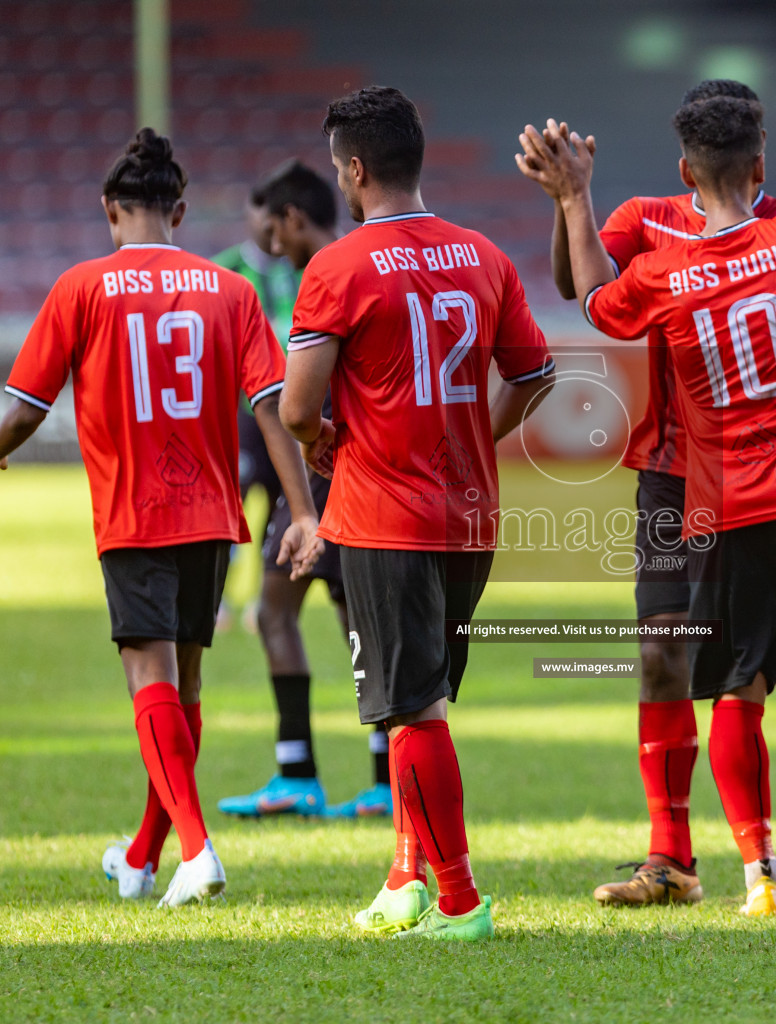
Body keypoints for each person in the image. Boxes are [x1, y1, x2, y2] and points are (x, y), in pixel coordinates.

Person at [528, 80, 776, 915]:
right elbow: (574, 275)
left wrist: (569, 197)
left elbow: (595, 300)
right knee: (683, 662)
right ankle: (688, 859)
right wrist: (577, 202)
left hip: (725, 484)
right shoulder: (662, 221)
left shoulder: (726, 243)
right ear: (756, 155)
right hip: (688, 482)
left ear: (691, 164)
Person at [0, 129, 322, 905]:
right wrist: (301, 511)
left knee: (147, 675)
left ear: (110, 210)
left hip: (134, 512)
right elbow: (274, 405)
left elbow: (29, 404)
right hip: (211, 511)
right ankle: (139, 857)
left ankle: (196, 851)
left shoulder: (80, 288)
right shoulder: (229, 291)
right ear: (181, 211)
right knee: (185, 682)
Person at [281, 86, 555, 940]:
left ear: (355, 170)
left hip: (383, 515)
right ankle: (404, 879)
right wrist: (478, 430)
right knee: (419, 701)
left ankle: (461, 902)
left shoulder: (339, 267)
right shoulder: (483, 255)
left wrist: (326, 442)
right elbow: (537, 372)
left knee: (412, 709)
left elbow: (295, 409)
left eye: (337, 167)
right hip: (470, 515)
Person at [216, 160, 396, 821]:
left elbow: (300, 401)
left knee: (335, 621)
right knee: (289, 614)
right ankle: (319, 774)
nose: (272, 248)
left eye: (275, 233)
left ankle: (351, 777)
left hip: (334, 476)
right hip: (333, 477)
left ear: (293, 219)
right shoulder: (366, 264)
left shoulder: (332, 272)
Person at [212, 179, 301, 634]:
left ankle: (263, 601)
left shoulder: (304, 269)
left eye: (276, 213)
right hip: (243, 419)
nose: (268, 223)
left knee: (279, 513)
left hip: (292, 418)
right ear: (247, 214)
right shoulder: (222, 271)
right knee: (233, 512)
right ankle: (220, 599)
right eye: (259, 211)